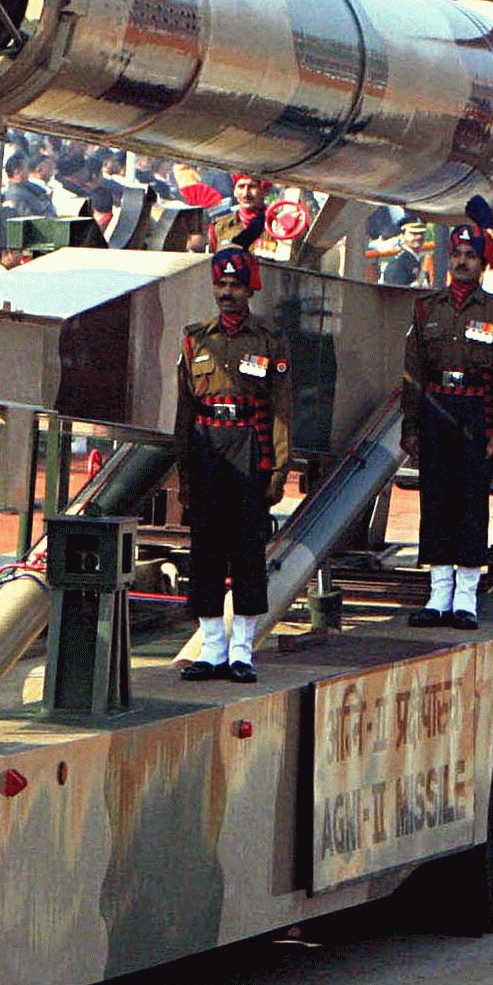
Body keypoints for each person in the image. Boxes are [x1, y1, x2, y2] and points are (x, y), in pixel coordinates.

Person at [171, 235, 289, 681]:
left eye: (236, 286)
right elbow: (184, 409)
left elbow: (281, 409)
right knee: (205, 552)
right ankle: (211, 650)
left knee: (245, 554)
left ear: (250, 289)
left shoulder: (269, 341)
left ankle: (242, 651)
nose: (227, 293)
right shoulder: (194, 340)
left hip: (249, 449)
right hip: (205, 451)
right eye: (221, 284)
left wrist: (279, 468)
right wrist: (183, 469)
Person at [402, 209, 493, 628]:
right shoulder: (426, 308)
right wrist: (411, 427)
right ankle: (438, 595)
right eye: (457, 254)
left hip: (475, 412)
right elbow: (413, 371)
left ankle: (466, 597)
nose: (462, 261)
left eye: (471, 255)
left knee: (471, 501)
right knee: (435, 500)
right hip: (436, 408)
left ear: (484, 262)